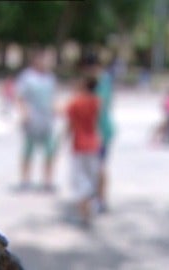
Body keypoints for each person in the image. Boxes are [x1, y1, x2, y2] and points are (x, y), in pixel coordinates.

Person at [15, 49, 57, 192]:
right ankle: (25, 180)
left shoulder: (50, 77)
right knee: (28, 151)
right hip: (32, 118)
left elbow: (52, 97)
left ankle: (47, 181)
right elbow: (19, 96)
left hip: (47, 119)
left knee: (50, 151)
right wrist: (24, 112)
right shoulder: (27, 77)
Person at [66, 76, 101, 227]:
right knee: (90, 177)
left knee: (79, 180)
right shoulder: (96, 101)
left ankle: (84, 214)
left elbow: (71, 124)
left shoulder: (75, 102)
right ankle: (91, 207)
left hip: (79, 144)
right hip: (93, 142)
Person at [83, 54, 115, 213]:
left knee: (99, 166)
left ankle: (100, 199)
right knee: (95, 166)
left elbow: (98, 106)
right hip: (96, 130)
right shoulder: (102, 80)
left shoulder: (102, 81)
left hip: (100, 130)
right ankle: (96, 198)